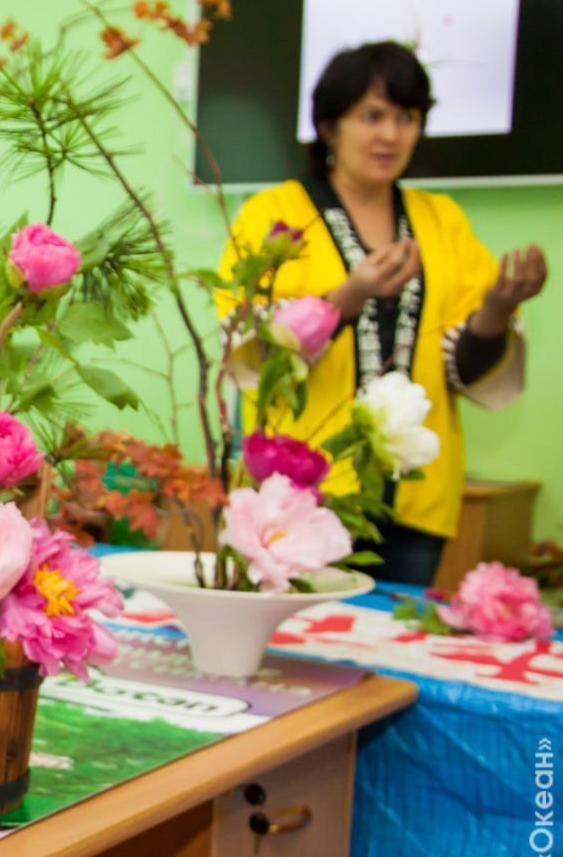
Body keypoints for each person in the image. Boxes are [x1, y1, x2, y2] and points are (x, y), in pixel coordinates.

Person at [219, 41, 546, 585]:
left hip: (416, 498)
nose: (390, 135)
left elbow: (467, 369)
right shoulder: (273, 213)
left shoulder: (442, 220)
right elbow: (252, 352)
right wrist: (347, 298)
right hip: (298, 495)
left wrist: (497, 307)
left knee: (392, 632)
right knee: (297, 632)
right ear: (330, 126)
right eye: (372, 116)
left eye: (407, 118)